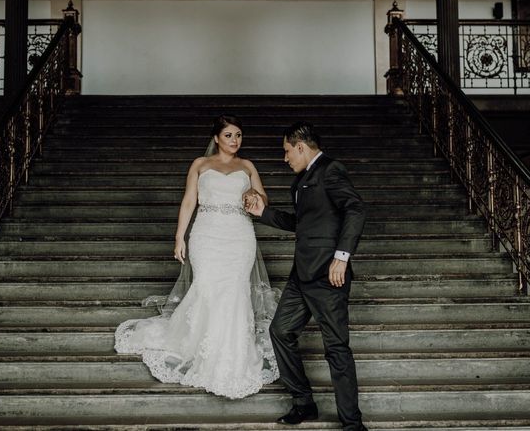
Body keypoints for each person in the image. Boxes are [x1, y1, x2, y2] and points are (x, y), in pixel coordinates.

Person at [114, 115, 281, 399]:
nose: (235, 141)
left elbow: (263, 199)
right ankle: (201, 346)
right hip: (207, 235)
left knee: (234, 290)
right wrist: (180, 236)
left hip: (239, 236)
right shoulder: (200, 165)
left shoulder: (247, 166)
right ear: (216, 138)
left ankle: (233, 353)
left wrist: (256, 198)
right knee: (206, 287)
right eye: (229, 135)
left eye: (239, 135)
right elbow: (189, 200)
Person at [244, 122, 367, 431]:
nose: (285, 158)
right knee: (280, 331)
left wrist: (341, 257)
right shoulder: (300, 181)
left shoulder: (330, 169)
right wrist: (263, 214)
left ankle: (352, 424)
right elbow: (303, 223)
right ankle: (304, 402)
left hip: (328, 275)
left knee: (336, 348)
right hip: (301, 275)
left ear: (301, 146)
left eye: (287, 151)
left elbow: (355, 209)